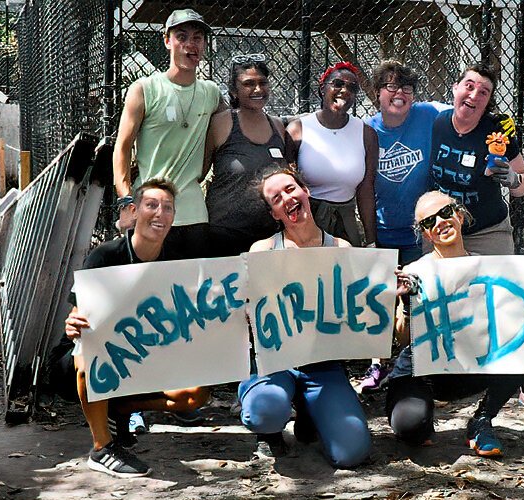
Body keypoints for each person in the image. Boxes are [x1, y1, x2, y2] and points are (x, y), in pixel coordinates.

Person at [387, 191, 524, 458]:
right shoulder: (415, 271)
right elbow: (404, 340)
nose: (440, 223)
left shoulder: (493, 268)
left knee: (517, 346)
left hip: (473, 368)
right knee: (410, 429)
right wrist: (408, 305)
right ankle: (420, 416)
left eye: (445, 213)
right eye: (429, 222)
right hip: (423, 373)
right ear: (426, 234)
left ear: (460, 216)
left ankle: (481, 421)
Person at [59, 180, 213, 478]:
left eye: (167, 208)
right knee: (89, 357)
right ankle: (102, 448)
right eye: (152, 205)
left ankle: (121, 407)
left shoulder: (177, 262)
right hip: (88, 359)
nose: (160, 213)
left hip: (147, 356)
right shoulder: (105, 257)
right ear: (134, 210)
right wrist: (72, 324)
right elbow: (77, 319)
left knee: (195, 394)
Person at [235, 168, 373, 468]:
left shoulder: (340, 248)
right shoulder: (264, 250)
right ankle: (270, 430)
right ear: (274, 213)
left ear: (305, 191)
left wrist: (387, 290)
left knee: (352, 453)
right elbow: (248, 310)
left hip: (323, 366)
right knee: (263, 413)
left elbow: (357, 307)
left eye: (290, 189)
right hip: (276, 362)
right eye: (276, 198)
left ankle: (312, 414)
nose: (286, 198)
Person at [112, 8, 226, 258]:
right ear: (167, 40)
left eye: (197, 37)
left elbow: (231, 127)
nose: (190, 44)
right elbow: (121, 147)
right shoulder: (144, 89)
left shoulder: (211, 93)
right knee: (147, 288)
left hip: (194, 213)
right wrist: (126, 200)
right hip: (151, 210)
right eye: (182, 36)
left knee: (191, 291)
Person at [427, 64, 524, 256]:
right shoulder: (438, 123)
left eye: (483, 92)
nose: (474, 95)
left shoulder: (498, 132)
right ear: (455, 88)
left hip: (486, 232)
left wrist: (513, 180)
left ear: (488, 102)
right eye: (469, 86)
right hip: (442, 226)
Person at [365, 60, 452, 266]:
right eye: (391, 86)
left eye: (407, 89)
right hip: (383, 234)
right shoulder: (367, 131)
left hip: (425, 232)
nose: (400, 94)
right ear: (378, 92)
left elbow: (463, 112)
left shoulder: (429, 113)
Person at [287, 61, 379, 247]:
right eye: (337, 84)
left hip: (346, 224)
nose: (344, 90)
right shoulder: (299, 130)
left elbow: (366, 190)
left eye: (352, 87)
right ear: (323, 89)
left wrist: (371, 241)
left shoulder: (366, 134)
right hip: (308, 221)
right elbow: (288, 187)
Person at [203, 55, 289, 254]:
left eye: (263, 83)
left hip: (268, 236)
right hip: (225, 233)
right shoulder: (221, 123)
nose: (258, 89)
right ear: (234, 90)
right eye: (249, 84)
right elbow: (200, 170)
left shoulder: (277, 127)